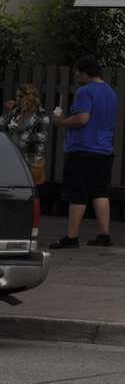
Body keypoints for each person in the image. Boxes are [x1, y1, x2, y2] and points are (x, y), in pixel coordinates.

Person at [49, 56, 118, 249]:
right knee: (100, 192)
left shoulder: (84, 92)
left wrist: (61, 121)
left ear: (85, 72)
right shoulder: (111, 93)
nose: (76, 77)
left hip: (83, 149)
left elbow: (82, 119)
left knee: (77, 193)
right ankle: (104, 235)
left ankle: (72, 237)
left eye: (77, 73)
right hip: (104, 150)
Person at [0, 84, 50, 183]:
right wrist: (7, 112)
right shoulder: (16, 112)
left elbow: (42, 136)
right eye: (16, 96)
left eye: (20, 96)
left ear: (29, 97)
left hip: (30, 161)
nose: (17, 99)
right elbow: (1, 124)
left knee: (26, 190)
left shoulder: (41, 116)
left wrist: (21, 132)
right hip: (13, 157)